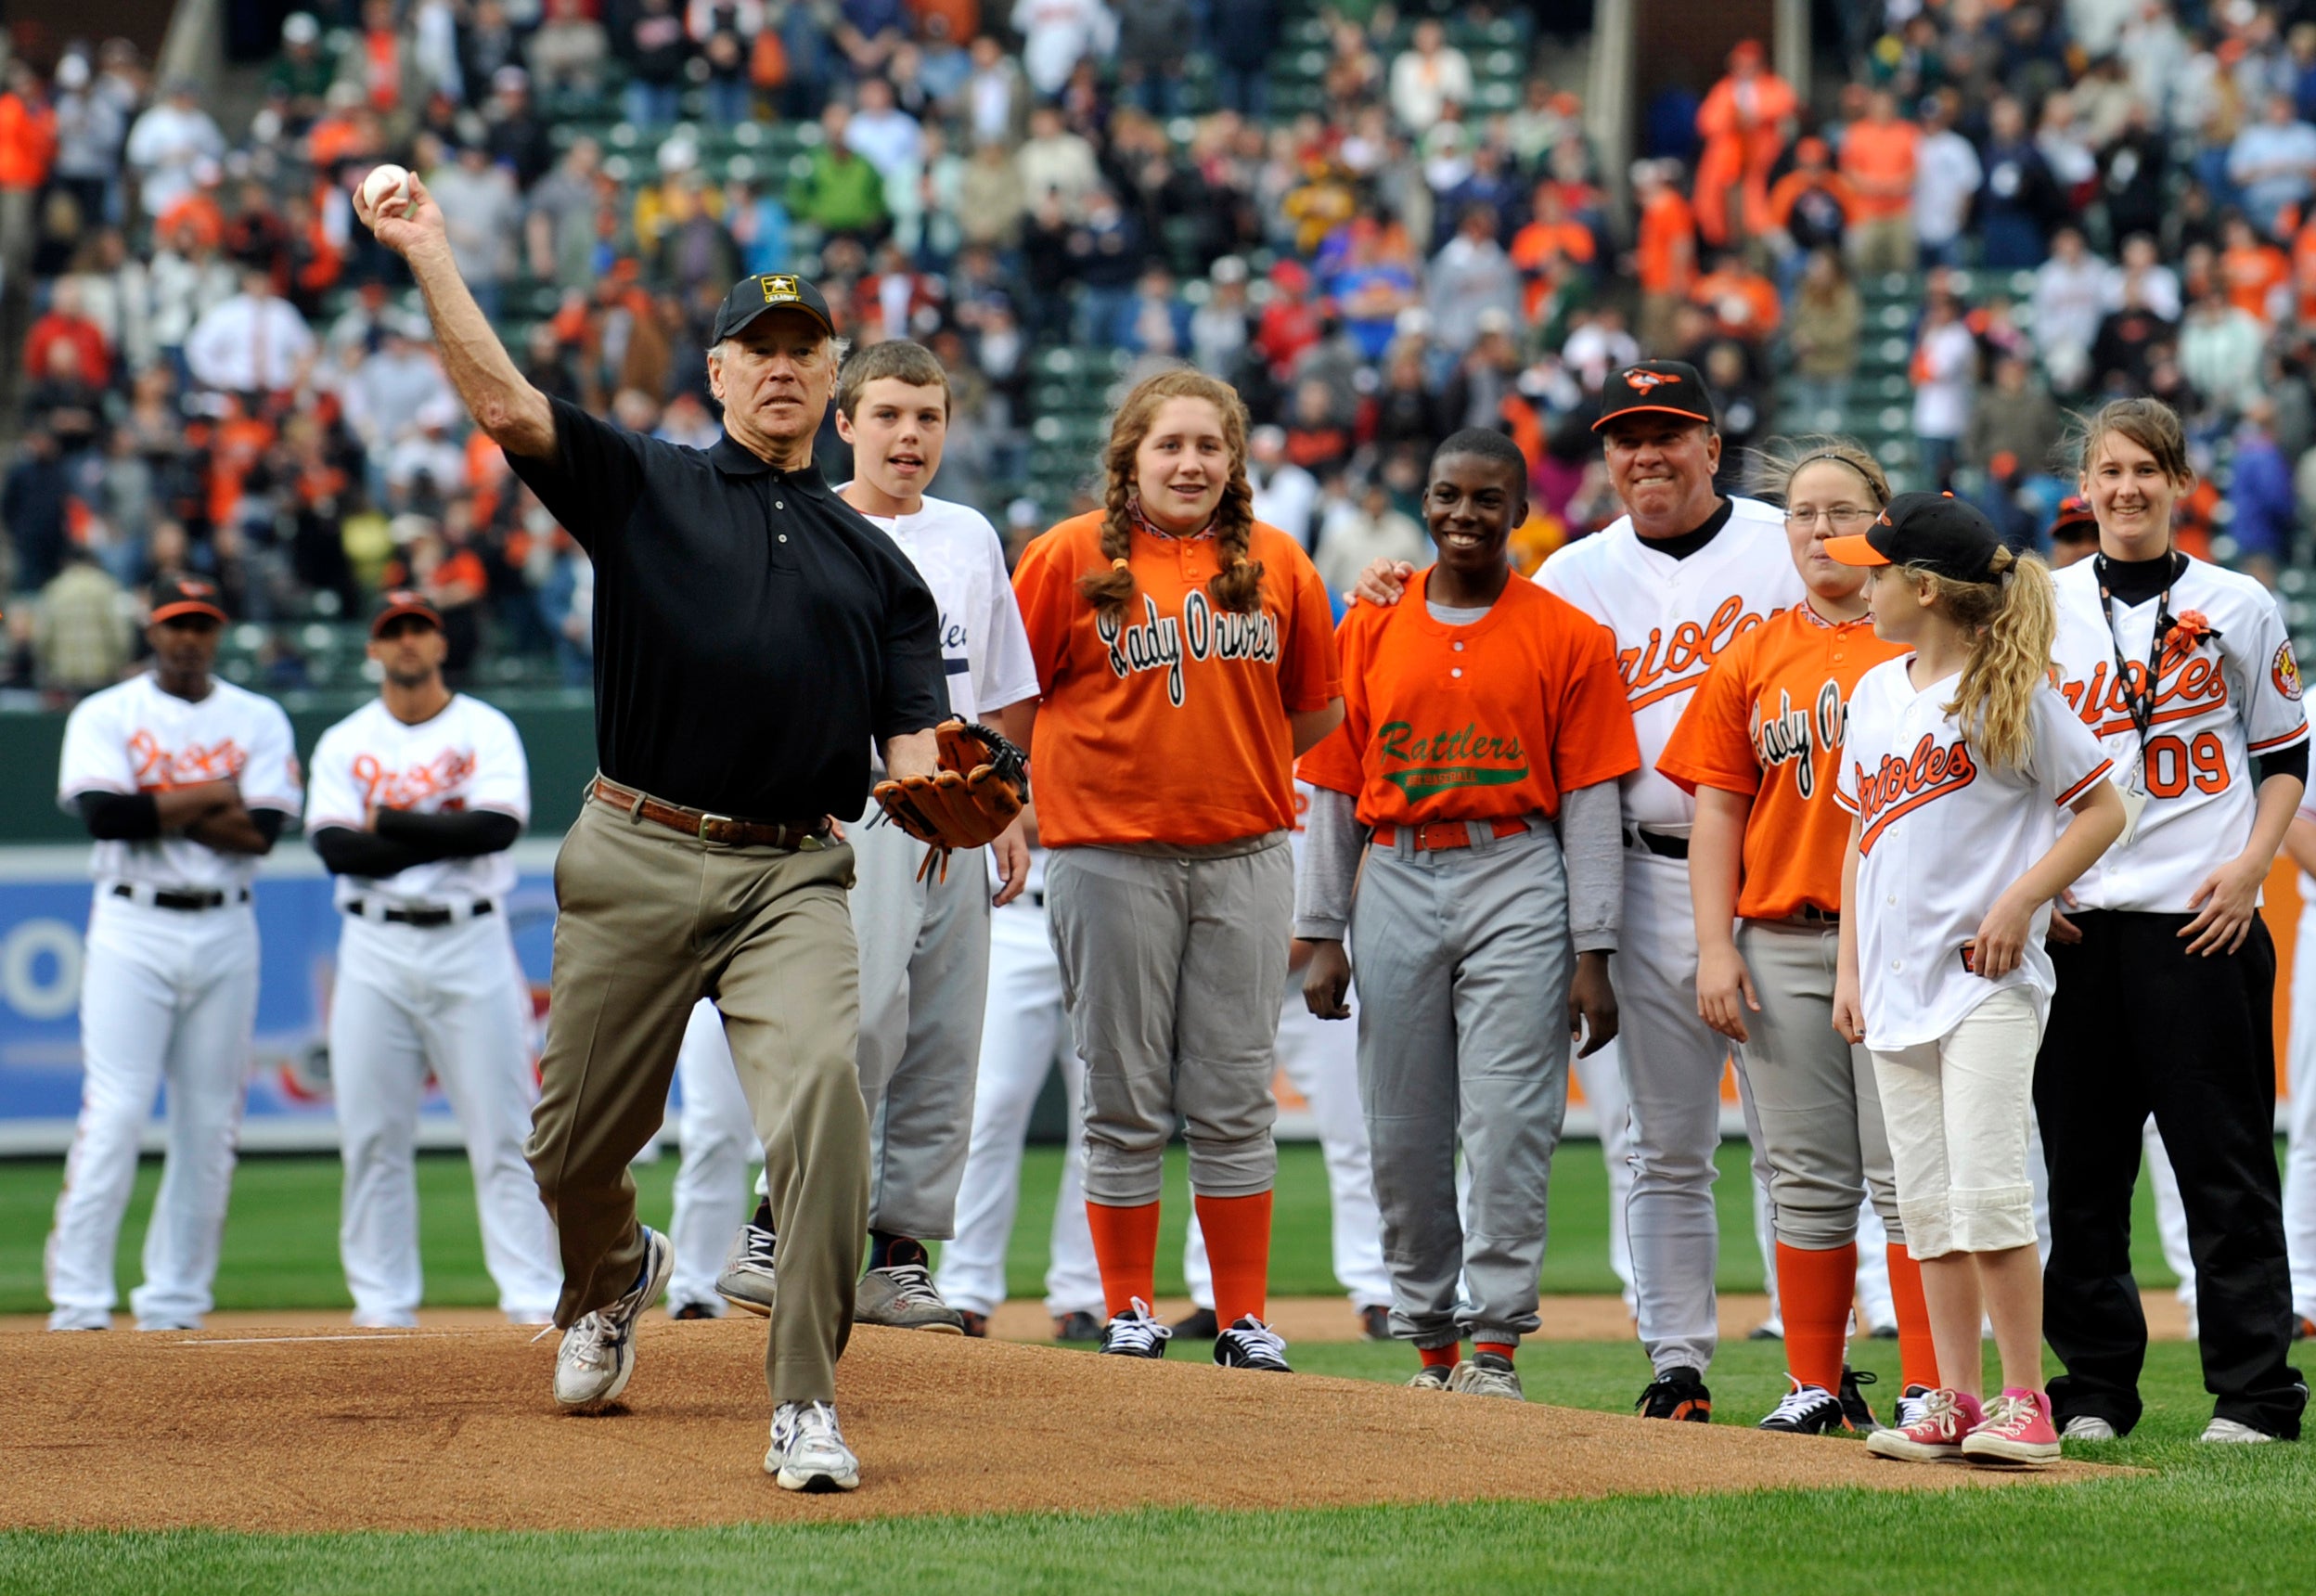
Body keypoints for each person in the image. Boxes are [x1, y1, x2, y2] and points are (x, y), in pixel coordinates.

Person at [361, 163, 948, 1495]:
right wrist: (432, 252)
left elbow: (912, 745)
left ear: (836, 382)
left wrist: (933, 790)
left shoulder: (882, 570)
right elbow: (506, 405)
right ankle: (616, 1272)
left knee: (823, 1112)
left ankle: (803, 1397)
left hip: (792, 871)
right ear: (722, 371)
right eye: (762, 349)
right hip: (632, 847)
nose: (784, 369)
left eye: (807, 351)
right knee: (567, 1152)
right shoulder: (645, 486)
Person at [1353, 361, 1805, 1422]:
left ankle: (1816, 1372)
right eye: (1625, 437)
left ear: (1709, 441)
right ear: (1602, 458)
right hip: (1643, 869)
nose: (1647, 453)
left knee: (1800, 1146)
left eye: (1670, 431)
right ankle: (1678, 1364)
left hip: (1782, 868)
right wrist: (1387, 586)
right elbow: (1460, 610)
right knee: (1661, 1145)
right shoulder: (1567, 579)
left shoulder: (1781, 546)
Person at [694, 340, 1039, 1332]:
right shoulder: (808, 524)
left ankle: (899, 1253)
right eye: (887, 415)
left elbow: (1004, 688)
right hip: (862, 809)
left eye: (927, 417)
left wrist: (1010, 806)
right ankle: (779, 1226)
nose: (909, 435)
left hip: (962, 815)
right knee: (856, 1028)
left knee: (943, 1037)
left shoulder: (970, 534)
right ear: (844, 424)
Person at [1010, 367, 1343, 1371]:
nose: (1190, 462)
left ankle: (1240, 1316)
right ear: (1131, 458)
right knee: (1120, 1090)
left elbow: (1317, 711)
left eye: (1210, 445)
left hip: (1244, 852)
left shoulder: (1282, 561)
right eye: (1170, 445)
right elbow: (1009, 711)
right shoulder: (1066, 557)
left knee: (1237, 1093)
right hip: (1106, 858)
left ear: (1236, 461)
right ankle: (1127, 1307)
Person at [1298, 429, 1634, 1396]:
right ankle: (1430, 1341)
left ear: (1520, 514)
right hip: (1396, 871)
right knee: (1399, 1128)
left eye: (1488, 499)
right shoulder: (1369, 622)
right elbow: (1332, 787)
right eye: (1448, 495)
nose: (1464, 515)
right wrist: (1322, 932)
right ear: (1425, 502)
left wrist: (1593, 948)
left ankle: (1493, 1347)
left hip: (1517, 869)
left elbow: (1589, 803)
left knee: (1508, 1123)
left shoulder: (1567, 633)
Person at [1822, 494, 2127, 1469]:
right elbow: (1860, 841)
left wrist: (2020, 902)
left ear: (1923, 587)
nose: (1859, 584)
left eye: (1875, 571)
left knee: (1990, 1191)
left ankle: (2025, 1401)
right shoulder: (1875, 693)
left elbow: (2102, 810)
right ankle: (1952, 1397)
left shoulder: (2014, 690)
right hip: (1897, 987)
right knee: (1925, 1207)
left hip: (1987, 980)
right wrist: (1850, 968)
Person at [2039, 398, 2311, 1445]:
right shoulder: (2045, 605)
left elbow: (2284, 758)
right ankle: (2094, 1390)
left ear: (2180, 481)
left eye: (2146, 469)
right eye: (2108, 471)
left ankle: (2255, 1395)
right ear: (2087, 484)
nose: (2125, 488)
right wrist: (2043, 881)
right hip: (2082, 931)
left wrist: (2250, 871)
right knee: (2084, 1180)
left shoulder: (2239, 603)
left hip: (2204, 924)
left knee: (2226, 1169)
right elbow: (2017, 764)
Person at [1657, 438, 1936, 1435]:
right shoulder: (1755, 651)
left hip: (1907, 944)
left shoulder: (1926, 639)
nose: (1822, 531)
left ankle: (1929, 1384)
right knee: (1810, 1178)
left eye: (1843, 511)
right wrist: (1716, 943)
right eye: (1803, 514)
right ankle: (1814, 1382)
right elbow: (1719, 814)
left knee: (1909, 1176)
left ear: (1884, 521)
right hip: (1780, 936)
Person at [45, 575, 302, 1332]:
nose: (189, 637)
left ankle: (176, 1302)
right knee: (116, 1112)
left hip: (225, 926)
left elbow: (258, 833)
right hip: (133, 925)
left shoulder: (256, 715)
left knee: (208, 1120)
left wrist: (158, 799)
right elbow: (106, 817)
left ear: (217, 633)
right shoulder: (106, 713)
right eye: (175, 623)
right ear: (150, 630)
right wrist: (210, 792)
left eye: (202, 623)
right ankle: (80, 1301)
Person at [304, 591, 560, 1329]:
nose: (408, 642)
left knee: (506, 1128)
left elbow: (491, 831)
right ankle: (382, 1306)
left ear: (441, 643)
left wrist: (385, 819)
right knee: (373, 1134)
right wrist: (435, 829)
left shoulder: (484, 727)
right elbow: (334, 847)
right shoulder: (346, 739)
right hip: (373, 945)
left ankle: (529, 1295)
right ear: (374, 650)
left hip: (469, 941)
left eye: (418, 629)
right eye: (393, 632)